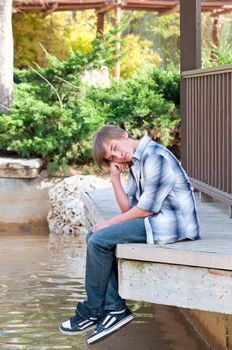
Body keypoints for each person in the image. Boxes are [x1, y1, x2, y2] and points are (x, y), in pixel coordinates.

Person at [59, 124, 200, 344]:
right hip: (154, 221)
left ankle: (96, 310)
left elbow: (146, 209)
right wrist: (115, 178)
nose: (117, 154)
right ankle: (113, 309)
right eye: (111, 155)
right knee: (94, 238)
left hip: (173, 224)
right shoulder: (135, 162)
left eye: (115, 147)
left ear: (124, 135)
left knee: (99, 239)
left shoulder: (155, 157)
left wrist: (107, 224)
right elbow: (129, 209)